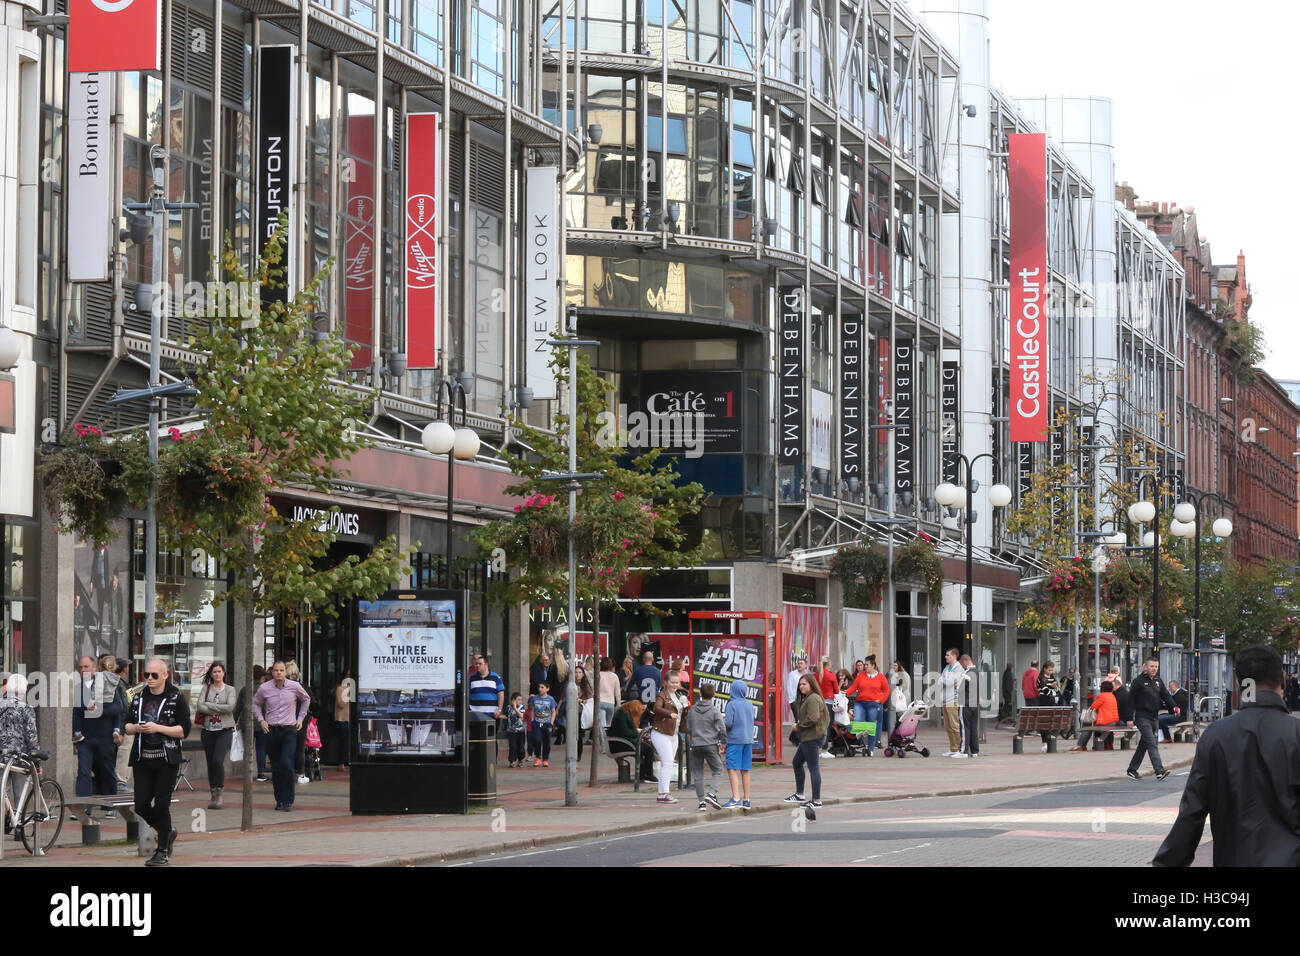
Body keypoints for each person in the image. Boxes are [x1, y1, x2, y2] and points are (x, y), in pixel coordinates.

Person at [1153, 645, 1300, 866]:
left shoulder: (1215, 736)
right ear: (1283, 680)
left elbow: (1191, 814)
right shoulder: (1296, 734)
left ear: (1240, 684)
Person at [123, 660, 191, 866]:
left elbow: (183, 731)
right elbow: (126, 725)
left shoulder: (176, 698)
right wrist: (135, 728)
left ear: (165, 675)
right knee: (141, 805)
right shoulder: (139, 697)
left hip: (166, 760)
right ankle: (167, 832)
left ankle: (162, 851)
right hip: (142, 759)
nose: (149, 679)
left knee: (162, 805)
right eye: (146, 675)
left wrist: (158, 728)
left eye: (154, 675)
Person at [252, 660, 311, 811]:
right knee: (276, 767)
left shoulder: (294, 686)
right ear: (272, 672)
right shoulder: (264, 688)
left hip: (289, 730)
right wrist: (261, 720)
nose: (279, 673)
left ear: (286, 672)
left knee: (286, 763)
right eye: (276, 670)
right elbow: (255, 703)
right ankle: (279, 800)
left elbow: (306, 700)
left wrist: (300, 719)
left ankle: (289, 800)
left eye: (281, 670)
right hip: (271, 730)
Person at [72, 654, 126, 807]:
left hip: (105, 737)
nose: (83, 670)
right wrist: (76, 734)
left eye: (86, 666)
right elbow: (76, 713)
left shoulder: (106, 684)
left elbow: (118, 707)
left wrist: (98, 709)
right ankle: (83, 806)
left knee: (106, 771)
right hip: (85, 738)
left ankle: (110, 804)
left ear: (94, 668)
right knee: (83, 771)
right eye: (81, 667)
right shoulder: (79, 688)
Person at [1126, 656, 1178, 781]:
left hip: (1154, 717)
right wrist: (1129, 718)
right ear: (1146, 667)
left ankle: (1132, 770)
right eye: (1151, 666)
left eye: (1156, 667)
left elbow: (1166, 695)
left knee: (1144, 745)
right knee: (1152, 744)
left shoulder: (1158, 681)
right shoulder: (1138, 681)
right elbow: (1130, 700)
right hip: (1142, 717)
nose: (1154, 669)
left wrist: (1174, 707)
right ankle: (1159, 771)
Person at [195, 661, 236, 810]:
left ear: (224, 673)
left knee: (218, 761)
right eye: (214, 672)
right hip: (208, 731)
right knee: (211, 763)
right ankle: (213, 793)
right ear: (211, 674)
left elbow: (230, 707)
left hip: (224, 730)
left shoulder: (230, 690)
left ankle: (219, 792)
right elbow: (199, 706)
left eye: (219, 671)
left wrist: (210, 705)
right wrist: (219, 709)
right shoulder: (206, 688)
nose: (217, 674)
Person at [784, 674, 829, 809]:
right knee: (797, 763)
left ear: (811, 684)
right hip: (808, 737)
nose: (801, 686)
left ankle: (816, 800)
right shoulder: (809, 698)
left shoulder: (813, 698)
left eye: (804, 684)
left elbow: (813, 718)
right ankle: (799, 794)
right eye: (800, 684)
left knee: (813, 768)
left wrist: (799, 726)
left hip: (812, 738)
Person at [685, 683, 725, 811]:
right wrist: (722, 743)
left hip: (696, 744)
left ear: (700, 694)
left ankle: (702, 802)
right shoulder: (714, 710)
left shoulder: (692, 710)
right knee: (718, 769)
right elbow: (722, 729)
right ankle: (712, 794)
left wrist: (695, 736)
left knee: (697, 774)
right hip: (710, 744)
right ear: (714, 695)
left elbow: (688, 728)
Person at [650, 670, 685, 804]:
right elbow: (656, 708)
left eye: (677, 682)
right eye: (672, 682)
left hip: (673, 733)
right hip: (661, 732)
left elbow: (683, 713)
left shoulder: (679, 696)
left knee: (669, 764)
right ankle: (664, 793)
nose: (675, 685)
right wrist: (669, 714)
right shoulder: (662, 695)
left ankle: (663, 793)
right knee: (668, 762)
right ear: (666, 682)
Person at [844, 655, 890, 755]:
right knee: (858, 721)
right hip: (860, 703)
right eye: (865, 665)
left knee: (871, 726)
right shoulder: (861, 676)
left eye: (867, 665)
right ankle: (862, 743)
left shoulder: (881, 677)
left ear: (873, 666)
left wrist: (881, 700)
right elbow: (853, 688)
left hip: (874, 704)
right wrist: (845, 693)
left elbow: (887, 691)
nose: (865, 667)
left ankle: (871, 748)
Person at [721, 679, 754, 810]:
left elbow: (728, 723)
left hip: (735, 740)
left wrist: (722, 721)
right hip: (748, 739)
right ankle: (746, 799)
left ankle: (735, 798)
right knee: (745, 769)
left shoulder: (731, 704)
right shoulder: (749, 704)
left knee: (732, 768)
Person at [1070, 680, 1119, 751]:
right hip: (1113, 722)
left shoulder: (1102, 696)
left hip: (1105, 722)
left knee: (1087, 728)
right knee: (1094, 727)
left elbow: (1093, 707)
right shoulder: (1112, 696)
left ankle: (1081, 745)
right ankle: (1102, 745)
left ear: (1103, 688)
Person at [0, 673, 38, 758]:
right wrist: (37, 763)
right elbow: (31, 739)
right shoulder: (26, 709)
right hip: (17, 761)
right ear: (23, 689)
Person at [113, 659, 134, 791]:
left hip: (124, 725)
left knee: (125, 753)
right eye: (127, 667)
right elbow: (123, 708)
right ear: (124, 669)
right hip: (124, 726)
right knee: (124, 753)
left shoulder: (119, 683)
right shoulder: (119, 684)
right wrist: (121, 730)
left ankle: (121, 781)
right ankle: (120, 782)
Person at [939, 648, 964, 756]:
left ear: (954, 656)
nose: (946, 656)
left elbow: (949, 682)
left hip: (953, 700)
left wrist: (945, 680)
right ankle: (953, 748)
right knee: (947, 726)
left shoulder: (959, 669)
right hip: (944, 700)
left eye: (948, 655)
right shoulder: (947, 668)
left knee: (954, 725)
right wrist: (946, 680)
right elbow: (940, 681)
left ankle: (958, 748)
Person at [527, 681, 557, 767]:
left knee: (547, 742)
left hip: (547, 723)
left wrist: (551, 722)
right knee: (537, 740)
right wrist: (532, 720)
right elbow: (532, 710)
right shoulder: (535, 698)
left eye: (542, 687)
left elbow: (553, 711)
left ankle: (545, 759)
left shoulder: (550, 699)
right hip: (537, 723)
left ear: (547, 689)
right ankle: (538, 757)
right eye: (539, 687)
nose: (540, 689)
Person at [1036, 661, 1062, 751]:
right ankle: (1045, 743)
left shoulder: (1053, 678)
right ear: (1044, 669)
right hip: (1044, 701)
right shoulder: (1040, 678)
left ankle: (1050, 742)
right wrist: (1054, 691)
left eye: (1052, 670)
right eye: (1049, 670)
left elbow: (1058, 690)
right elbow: (1046, 691)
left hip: (1052, 701)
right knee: (1044, 722)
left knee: (1051, 722)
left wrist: (1055, 689)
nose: (1051, 672)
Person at [469, 654, 505, 718]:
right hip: (475, 715)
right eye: (476, 664)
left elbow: (501, 694)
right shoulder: (471, 678)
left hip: (492, 714)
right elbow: (467, 694)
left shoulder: (496, 677)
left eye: (480, 664)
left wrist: (499, 710)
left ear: (486, 665)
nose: (477, 665)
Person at [631, 649, 663, 718]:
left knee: (642, 719)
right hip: (653, 699)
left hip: (642, 699)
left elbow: (630, 684)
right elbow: (658, 685)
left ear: (643, 659)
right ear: (653, 659)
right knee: (653, 719)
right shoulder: (657, 671)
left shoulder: (638, 670)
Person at [958, 653, 979, 757]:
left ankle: (963, 751)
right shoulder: (978, 672)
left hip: (965, 703)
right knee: (974, 727)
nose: (963, 667)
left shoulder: (967, 673)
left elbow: (959, 689)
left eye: (962, 665)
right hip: (975, 704)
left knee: (964, 727)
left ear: (965, 662)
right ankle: (975, 751)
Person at [333, 669, 352, 769]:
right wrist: (348, 694)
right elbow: (340, 704)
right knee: (343, 742)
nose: (349, 677)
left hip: (350, 719)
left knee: (349, 742)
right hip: (342, 719)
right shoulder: (340, 688)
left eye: (351, 675)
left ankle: (348, 760)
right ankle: (341, 763)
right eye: (347, 675)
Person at [597, 657, 620, 728]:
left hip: (600, 702)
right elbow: (617, 693)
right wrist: (618, 704)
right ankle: (607, 739)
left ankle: (602, 739)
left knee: (602, 727)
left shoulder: (598, 675)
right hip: (610, 703)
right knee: (608, 726)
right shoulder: (614, 676)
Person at [505, 693, 527, 767]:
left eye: (521, 700)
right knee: (512, 746)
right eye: (519, 700)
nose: (520, 701)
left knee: (521, 747)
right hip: (511, 731)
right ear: (513, 700)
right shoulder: (508, 707)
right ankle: (512, 761)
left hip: (520, 731)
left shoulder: (522, 707)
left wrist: (515, 707)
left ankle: (520, 760)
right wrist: (498, 715)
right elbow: (506, 716)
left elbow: (521, 715)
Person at [891, 660, 911, 729]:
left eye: (896, 665)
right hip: (896, 697)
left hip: (902, 697)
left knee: (901, 715)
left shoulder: (903, 674)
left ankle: (902, 730)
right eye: (893, 665)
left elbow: (905, 686)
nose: (894, 667)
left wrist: (896, 684)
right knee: (896, 715)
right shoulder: (894, 674)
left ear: (899, 666)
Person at [785, 657, 807, 721]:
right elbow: (789, 687)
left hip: (805, 700)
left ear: (805, 665)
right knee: (798, 720)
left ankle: (796, 731)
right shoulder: (792, 674)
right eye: (798, 663)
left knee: (804, 720)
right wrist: (793, 700)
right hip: (795, 700)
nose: (799, 665)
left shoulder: (807, 675)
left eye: (801, 663)